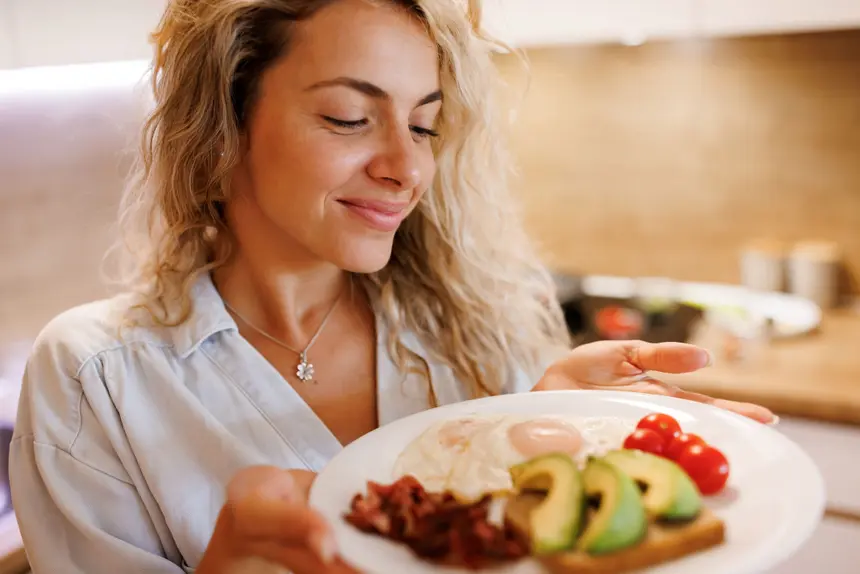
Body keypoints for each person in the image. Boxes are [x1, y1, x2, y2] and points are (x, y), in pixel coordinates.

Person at [9, 0, 774, 572]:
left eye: (423, 126)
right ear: (223, 128)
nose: (407, 169)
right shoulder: (94, 377)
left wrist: (548, 433)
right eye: (349, 117)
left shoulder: (484, 326)